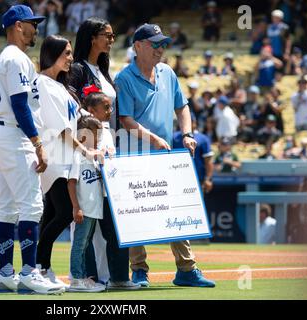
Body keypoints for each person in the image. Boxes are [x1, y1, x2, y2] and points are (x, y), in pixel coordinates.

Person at [115, 23, 215, 288]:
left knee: (176, 212)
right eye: (155, 44)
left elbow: (182, 107)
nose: (161, 49)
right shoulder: (124, 78)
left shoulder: (168, 73)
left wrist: (187, 134)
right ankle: (139, 271)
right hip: (133, 158)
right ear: (138, 46)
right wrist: (156, 138)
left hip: (165, 156)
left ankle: (186, 269)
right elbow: (125, 120)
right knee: (137, 215)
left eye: (163, 44)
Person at [0, 5, 64, 295]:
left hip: (0, 132)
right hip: (15, 136)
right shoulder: (17, 58)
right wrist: (37, 143)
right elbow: (20, 105)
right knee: (31, 206)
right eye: (31, 23)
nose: (35, 28)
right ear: (18, 26)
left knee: (6, 208)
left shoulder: (0, 59)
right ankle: (29, 273)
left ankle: (6, 272)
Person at [34, 34, 104, 290]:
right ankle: (37, 267)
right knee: (63, 213)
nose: (71, 58)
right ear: (52, 54)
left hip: (66, 159)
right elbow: (61, 129)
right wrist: (86, 151)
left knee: (53, 214)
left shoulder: (59, 86)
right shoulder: (43, 83)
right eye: (66, 53)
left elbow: (81, 116)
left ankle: (42, 267)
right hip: (55, 159)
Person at [69, 17, 117, 286]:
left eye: (112, 36)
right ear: (91, 36)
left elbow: (112, 110)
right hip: (88, 142)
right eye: (107, 35)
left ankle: (107, 275)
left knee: (103, 215)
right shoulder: (76, 69)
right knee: (86, 216)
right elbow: (72, 107)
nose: (111, 40)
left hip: (109, 141)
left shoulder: (103, 70)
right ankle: (81, 276)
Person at [80, 91, 140, 289]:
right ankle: (88, 278)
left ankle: (119, 278)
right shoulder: (80, 129)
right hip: (88, 190)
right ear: (91, 110)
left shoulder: (107, 131)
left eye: (110, 106)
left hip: (107, 192)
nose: (110, 111)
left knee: (115, 234)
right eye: (105, 107)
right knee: (85, 236)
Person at [67, 115, 106, 293]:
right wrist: (76, 207)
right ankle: (76, 279)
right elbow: (71, 182)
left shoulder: (92, 158)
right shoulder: (78, 156)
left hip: (94, 209)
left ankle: (82, 277)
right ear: (83, 136)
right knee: (80, 244)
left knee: (85, 244)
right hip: (84, 208)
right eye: (95, 136)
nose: (97, 140)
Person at [173, 115, 214, 194]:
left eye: (191, 122)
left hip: (197, 179)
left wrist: (208, 179)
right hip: (177, 179)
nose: (188, 124)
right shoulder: (174, 137)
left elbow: (208, 162)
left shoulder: (203, 139)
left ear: (195, 123)